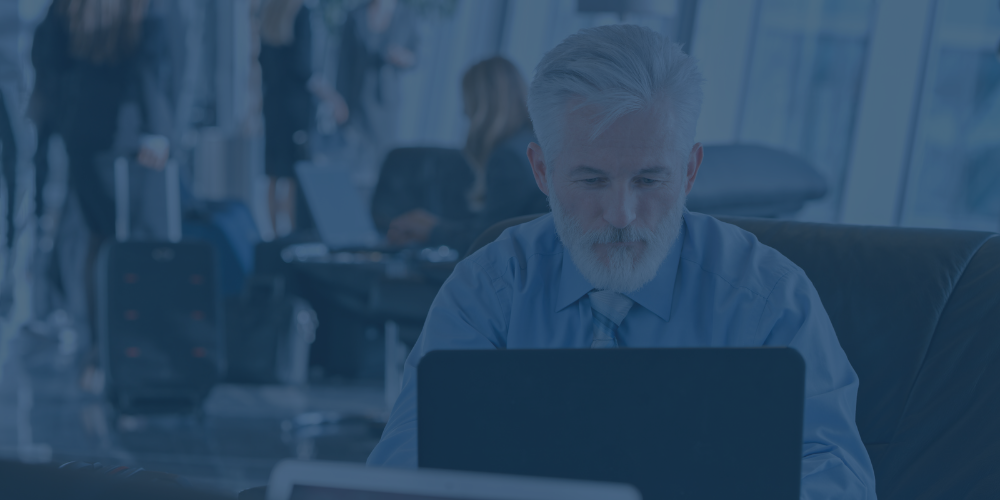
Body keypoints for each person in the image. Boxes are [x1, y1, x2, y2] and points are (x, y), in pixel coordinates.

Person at [367, 25, 877, 498]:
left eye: (649, 180)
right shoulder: (488, 291)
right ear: (542, 172)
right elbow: (405, 469)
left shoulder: (769, 299)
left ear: (690, 171)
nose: (621, 215)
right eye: (591, 180)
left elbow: (838, 476)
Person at [385, 56, 549, 252]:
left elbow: (487, 240)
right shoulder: (533, 142)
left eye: (468, 101)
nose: (464, 112)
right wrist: (434, 226)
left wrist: (433, 230)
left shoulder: (508, 157)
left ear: (482, 104)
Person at [332, 0, 418, 188]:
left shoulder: (405, 16)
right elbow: (343, 61)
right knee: (350, 161)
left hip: (384, 103)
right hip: (355, 100)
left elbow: (416, 55)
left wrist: (403, 57)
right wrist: (338, 100)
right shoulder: (355, 15)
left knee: (381, 163)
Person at [259, 0, 314, 234]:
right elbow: (303, 67)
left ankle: (273, 234)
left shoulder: (268, 13)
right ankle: (291, 233)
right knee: (292, 176)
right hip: (295, 107)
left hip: (273, 106)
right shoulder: (301, 13)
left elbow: (263, 64)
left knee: (273, 175)